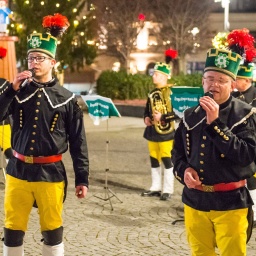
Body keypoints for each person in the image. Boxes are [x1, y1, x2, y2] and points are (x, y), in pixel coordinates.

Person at [0, 14, 89, 256]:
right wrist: (10, 90)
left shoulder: (68, 99)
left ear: (53, 63)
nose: (33, 62)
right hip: (17, 170)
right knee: (12, 231)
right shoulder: (16, 92)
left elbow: (78, 142)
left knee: (52, 231)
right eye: (30, 58)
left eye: (40, 58)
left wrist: (82, 178)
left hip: (51, 173)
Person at [171, 38, 256, 254]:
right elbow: (177, 153)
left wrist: (215, 124)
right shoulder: (190, 114)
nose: (214, 85)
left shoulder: (245, 114)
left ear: (233, 84)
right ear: (202, 81)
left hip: (231, 203)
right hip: (194, 201)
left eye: (221, 80)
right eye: (209, 79)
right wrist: (184, 171)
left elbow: (246, 155)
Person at [141, 62, 176, 201]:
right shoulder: (152, 93)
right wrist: (146, 117)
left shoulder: (171, 93)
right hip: (153, 131)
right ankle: (155, 187)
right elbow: (147, 108)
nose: (153, 76)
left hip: (166, 132)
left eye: (156, 74)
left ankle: (168, 189)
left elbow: (177, 113)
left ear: (164, 77)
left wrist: (163, 117)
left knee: (167, 160)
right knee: (154, 159)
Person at [232, 47, 256, 227]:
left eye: (237, 78)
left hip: (253, 141)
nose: (234, 81)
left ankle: (255, 215)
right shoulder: (233, 96)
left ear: (246, 80)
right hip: (236, 142)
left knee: (253, 178)